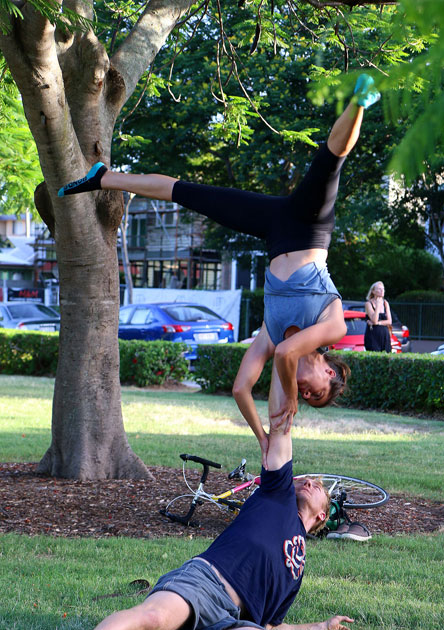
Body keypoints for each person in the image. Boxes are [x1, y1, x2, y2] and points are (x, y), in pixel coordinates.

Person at [58, 75, 380, 465]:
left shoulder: (271, 335)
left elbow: (241, 388)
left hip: (275, 230)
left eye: (307, 399)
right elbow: (288, 355)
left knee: (190, 195)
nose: (306, 396)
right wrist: (291, 399)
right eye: (315, 393)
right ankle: (360, 100)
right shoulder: (335, 328)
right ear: (329, 373)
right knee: (330, 163)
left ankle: (104, 178)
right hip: (310, 228)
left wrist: (263, 437)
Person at [51, 366, 354, 630]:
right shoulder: (276, 496)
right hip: (206, 582)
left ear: (322, 516)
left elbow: (274, 627)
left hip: (231, 620)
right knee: (152, 616)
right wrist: (286, 366)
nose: (310, 483)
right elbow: (281, 427)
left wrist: (321, 628)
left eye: (319, 487)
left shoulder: (297, 570)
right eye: (305, 479)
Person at [364, 281, 392, 353]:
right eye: (379, 289)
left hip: (385, 335)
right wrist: (378, 305)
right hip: (373, 335)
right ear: (373, 291)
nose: (382, 291)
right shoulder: (368, 304)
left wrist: (378, 323)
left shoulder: (386, 303)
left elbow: (389, 321)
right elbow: (374, 320)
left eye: (383, 289)